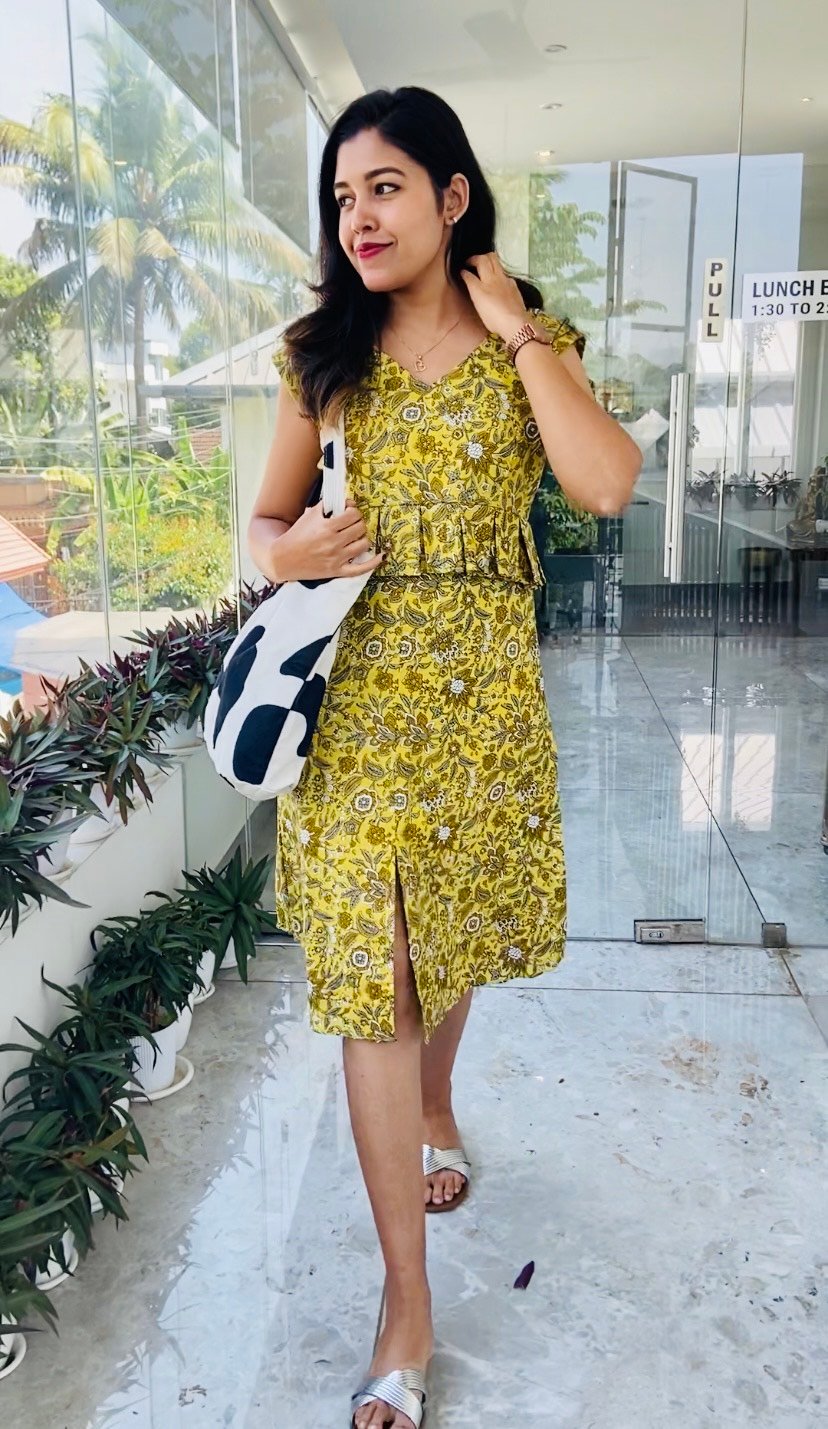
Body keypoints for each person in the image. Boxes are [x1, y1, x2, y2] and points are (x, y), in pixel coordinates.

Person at [248, 85, 641, 1429]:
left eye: (385, 187)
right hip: (357, 705)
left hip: (482, 706)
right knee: (379, 976)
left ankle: (437, 1104)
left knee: (451, 937)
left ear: (451, 195)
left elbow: (604, 483)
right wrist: (290, 549)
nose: (359, 216)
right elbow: (266, 522)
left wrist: (518, 330)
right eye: (342, 196)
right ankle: (405, 1306)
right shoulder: (322, 355)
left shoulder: (529, 340)